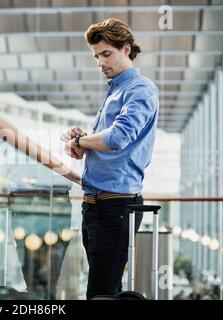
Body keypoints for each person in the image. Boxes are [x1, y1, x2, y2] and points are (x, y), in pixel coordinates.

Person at [61, 18, 159, 299]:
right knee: (104, 291)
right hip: (95, 205)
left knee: (101, 293)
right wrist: (83, 140)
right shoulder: (116, 89)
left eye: (106, 54)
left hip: (116, 207)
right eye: (96, 56)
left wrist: (81, 141)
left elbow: (117, 138)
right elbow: (107, 141)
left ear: (125, 49)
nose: (100, 62)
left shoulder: (139, 89)